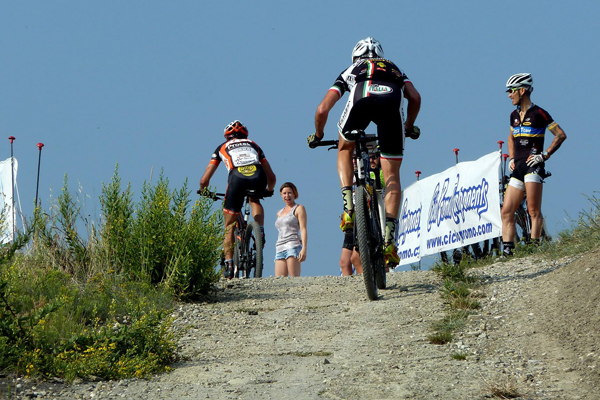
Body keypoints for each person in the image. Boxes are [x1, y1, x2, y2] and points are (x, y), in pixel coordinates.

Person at [308, 37, 421, 267]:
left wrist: (317, 135)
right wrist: (409, 126)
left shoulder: (353, 68)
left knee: (345, 147)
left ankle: (348, 207)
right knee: (392, 177)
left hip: (361, 99)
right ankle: (389, 241)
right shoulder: (393, 67)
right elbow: (415, 98)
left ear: (355, 57)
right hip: (391, 107)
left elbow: (322, 109)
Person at [200, 120, 276, 279]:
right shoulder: (254, 145)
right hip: (257, 175)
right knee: (255, 199)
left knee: (229, 224)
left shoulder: (221, 147)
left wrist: (204, 190)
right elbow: (271, 176)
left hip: (237, 178)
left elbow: (204, 179)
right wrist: (269, 190)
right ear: (245, 135)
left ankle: (228, 264)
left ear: (227, 136)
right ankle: (260, 232)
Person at [501, 73, 567, 256]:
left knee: (533, 209)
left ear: (522, 90)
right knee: (506, 211)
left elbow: (560, 135)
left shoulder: (540, 113)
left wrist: (544, 156)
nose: (509, 95)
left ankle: (534, 247)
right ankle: (508, 251)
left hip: (533, 165)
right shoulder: (513, 115)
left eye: (511, 91)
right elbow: (510, 137)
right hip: (518, 166)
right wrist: (512, 158)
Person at [274, 182, 307, 277]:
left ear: (294, 194)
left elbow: (303, 228)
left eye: (289, 193)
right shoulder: (279, 212)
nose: (287, 196)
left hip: (292, 246)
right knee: (279, 281)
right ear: (281, 195)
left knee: (294, 280)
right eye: (284, 193)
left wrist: (304, 248)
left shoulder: (299, 208)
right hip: (280, 247)